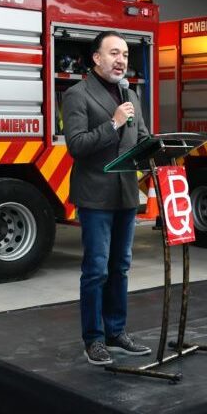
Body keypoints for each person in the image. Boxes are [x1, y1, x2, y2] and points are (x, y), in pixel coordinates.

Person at [63, 31, 152, 365]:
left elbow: (142, 139)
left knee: (121, 267)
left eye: (126, 55)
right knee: (97, 269)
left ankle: (116, 332)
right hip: (95, 195)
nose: (121, 60)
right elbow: (77, 145)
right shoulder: (77, 94)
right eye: (114, 53)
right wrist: (113, 124)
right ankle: (94, 339)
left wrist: (159, 151)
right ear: (96, 58)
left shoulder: (130, 94)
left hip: (126, 194)